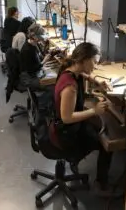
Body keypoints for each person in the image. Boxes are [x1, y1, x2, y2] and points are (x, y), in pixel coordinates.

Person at [49, 42, 113, 195]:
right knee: (107, 142)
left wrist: (96, 81)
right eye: (94, 61)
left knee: (98, 127)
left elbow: (83, 74)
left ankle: (75, 159)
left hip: (60, 126)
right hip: (65, 132)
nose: (95, 64)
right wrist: (94, 111)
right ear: (84, 60)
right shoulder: (70, 87)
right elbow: (67, 117)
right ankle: (101, 184)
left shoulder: (69, 70)